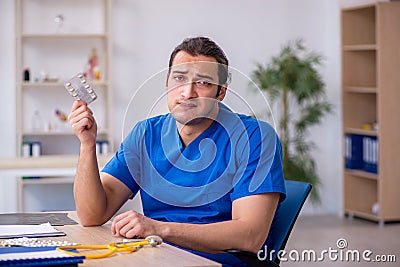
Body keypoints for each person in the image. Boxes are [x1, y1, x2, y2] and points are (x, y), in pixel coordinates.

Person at [68, 36, 286, 266]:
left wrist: (159, 229)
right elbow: (91, 215)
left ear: (220, 92)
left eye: (203, 83)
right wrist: (87, 144)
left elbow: (250, 236)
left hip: (221, 260)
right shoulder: (146, 134)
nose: (187, 92)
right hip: (154, 255)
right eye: (179, 79)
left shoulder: (254, 137)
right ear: (167, 83)